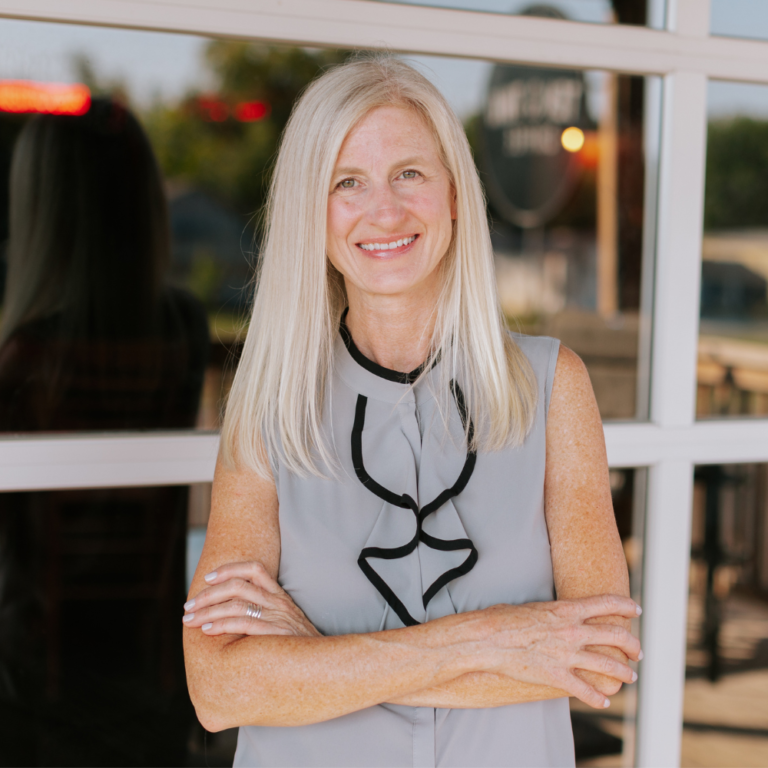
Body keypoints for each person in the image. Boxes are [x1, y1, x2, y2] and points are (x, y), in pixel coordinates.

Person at [182, 56, 642, 768]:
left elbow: (602, 658)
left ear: (454, 193)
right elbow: (218, 689)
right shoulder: (270, 404)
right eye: (347, 182)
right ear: (311, 212)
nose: (385, 210)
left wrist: (316, 660)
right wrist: (494, 642)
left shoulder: (554, 387)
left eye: (409, 173)